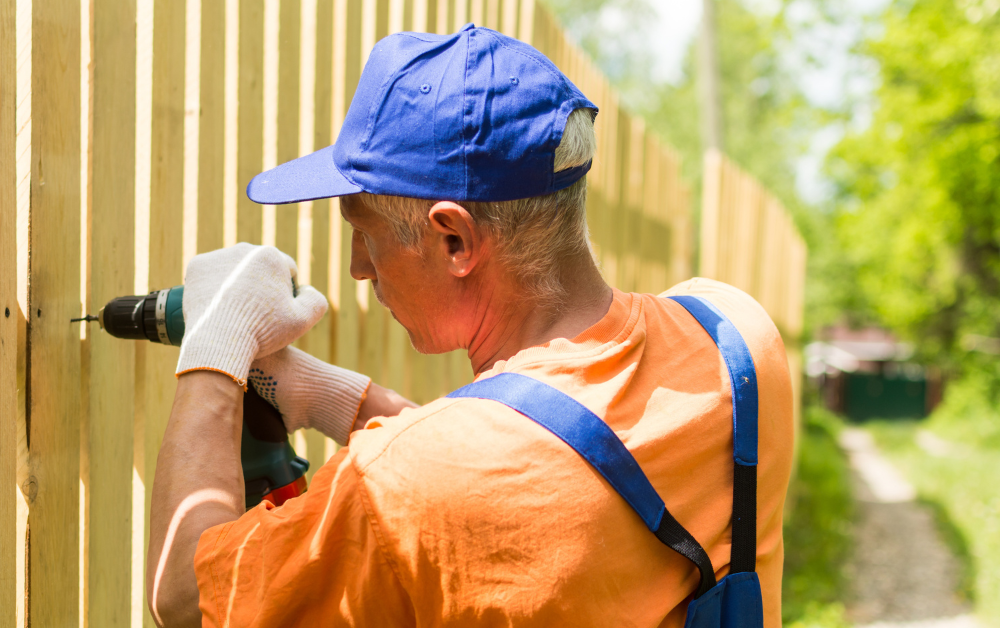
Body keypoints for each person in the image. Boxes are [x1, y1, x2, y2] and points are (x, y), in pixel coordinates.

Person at [146, 24, 793, 627]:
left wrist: (217, 343)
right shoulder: (736, 337)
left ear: (454, 240)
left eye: (363, 233)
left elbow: (182, 594)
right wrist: (340, 399)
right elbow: (538, 452)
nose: (356, 268)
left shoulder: (400, 486)